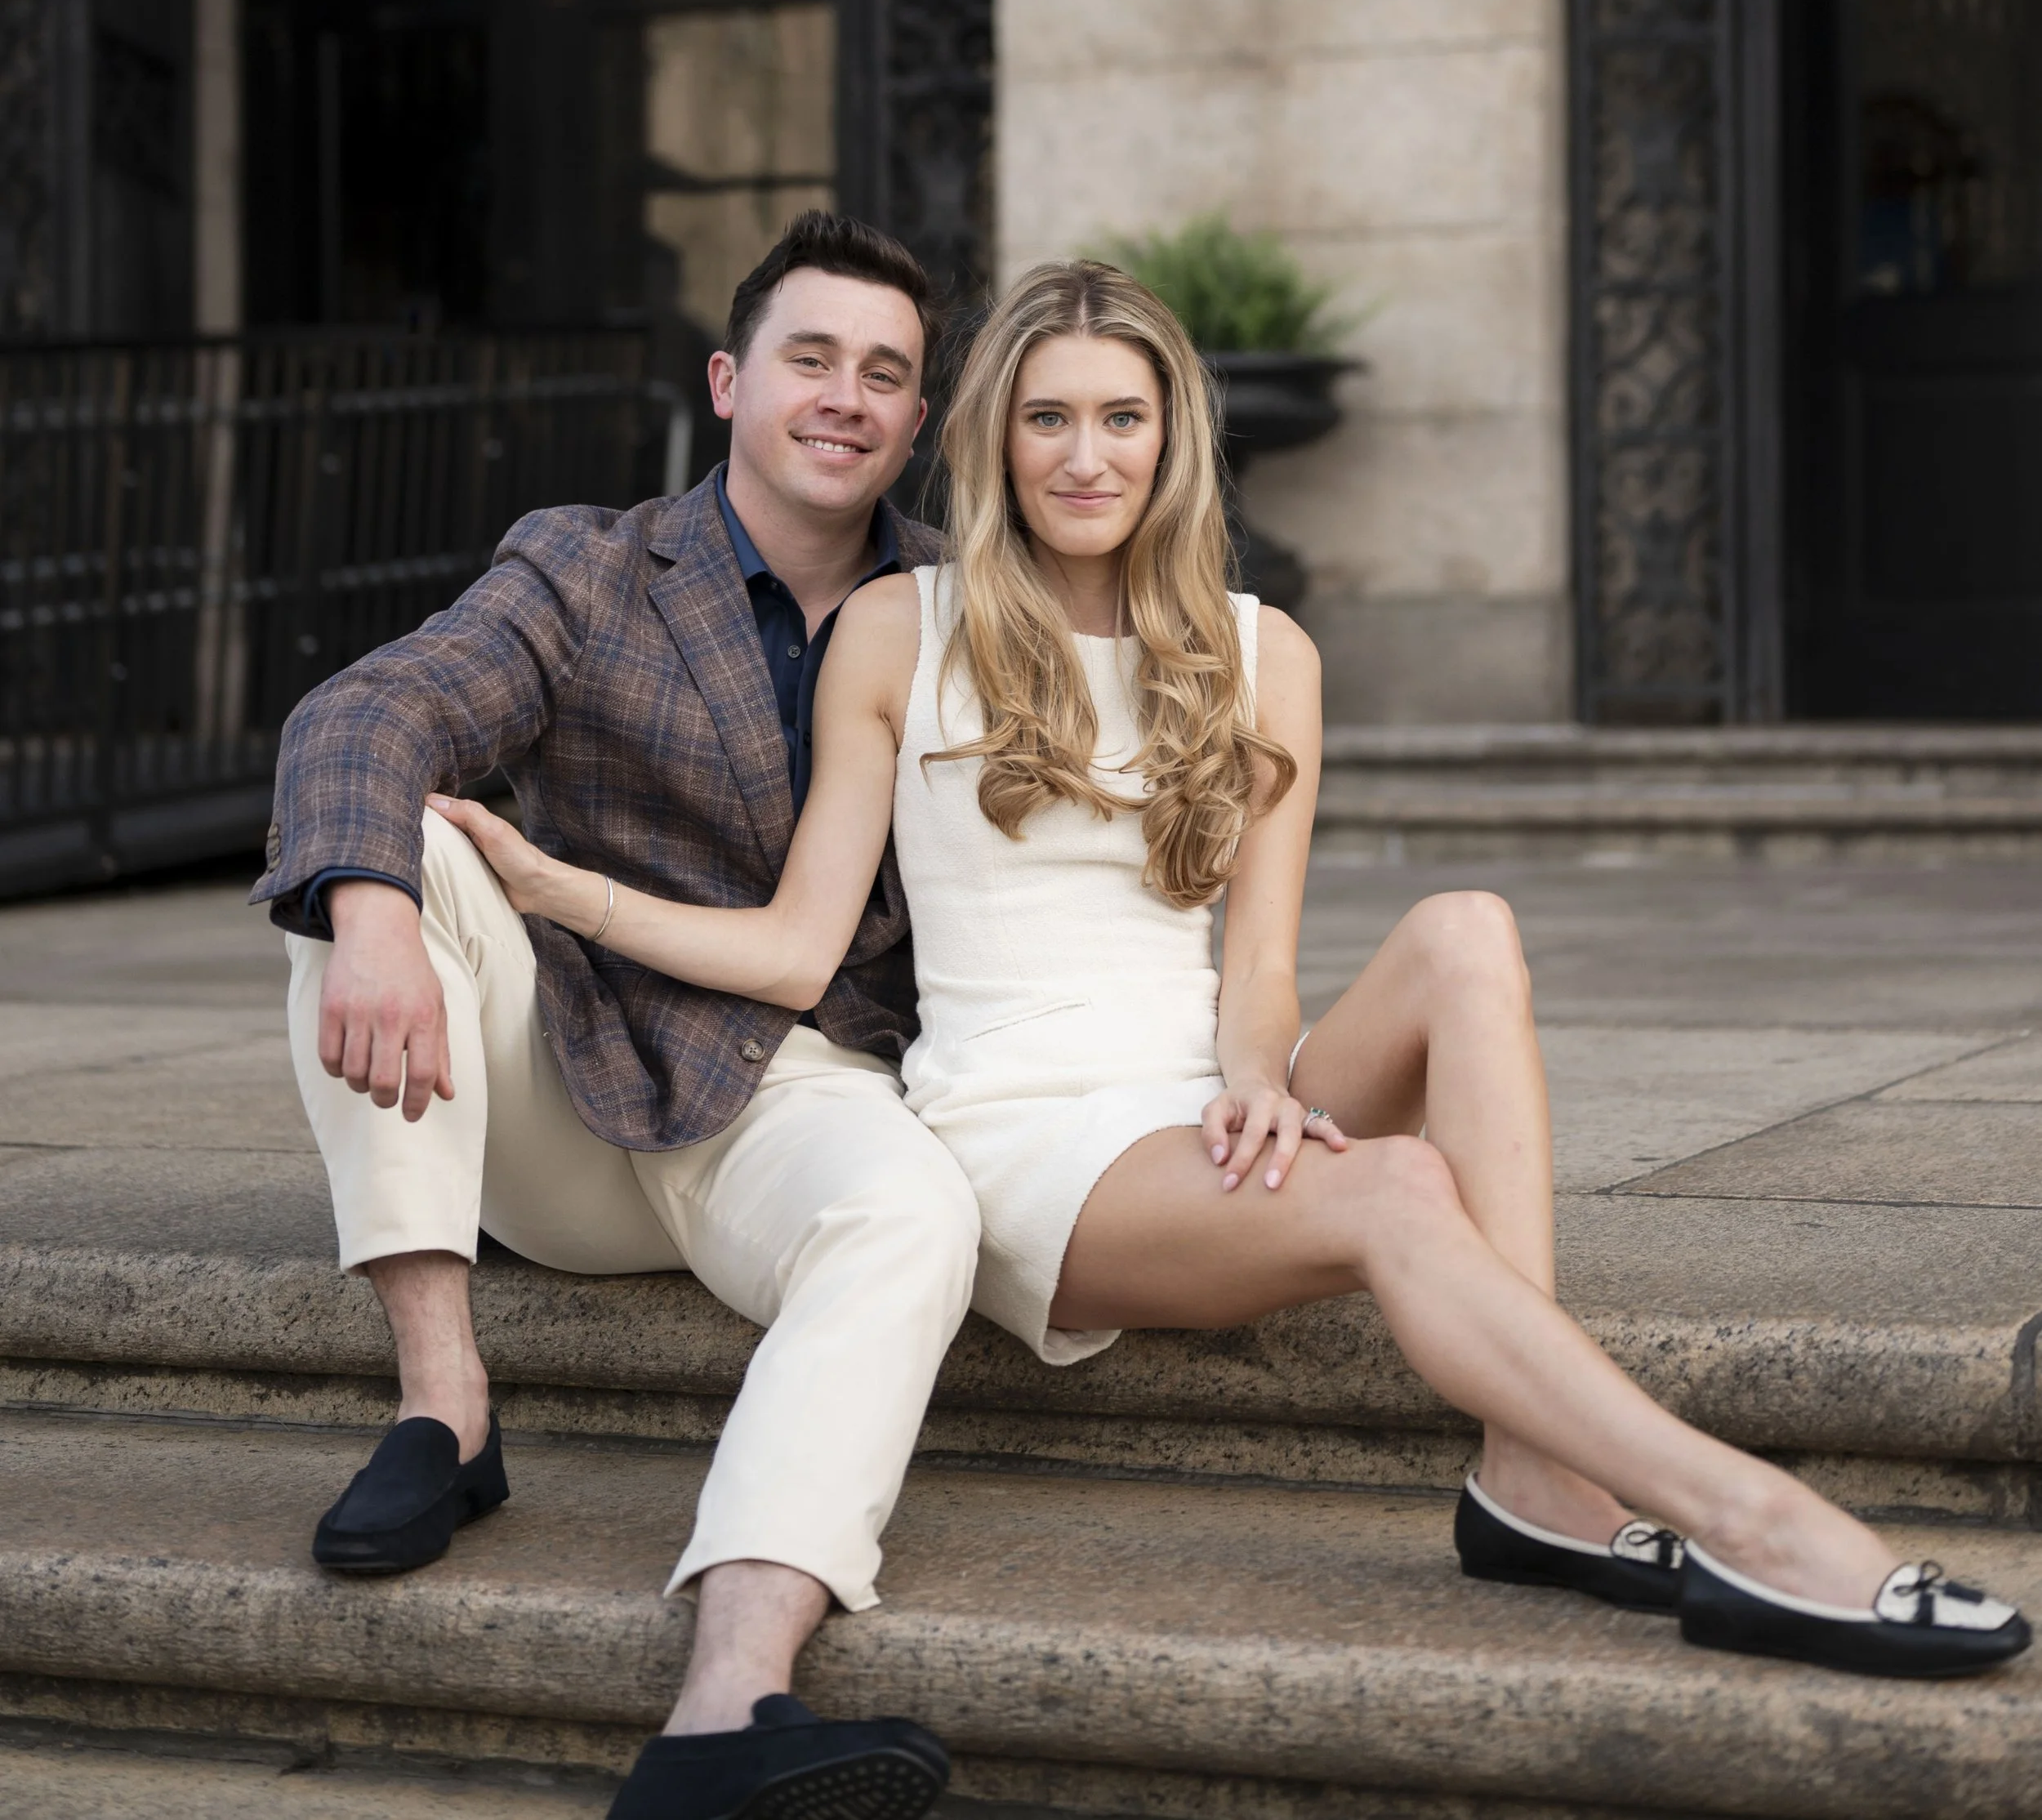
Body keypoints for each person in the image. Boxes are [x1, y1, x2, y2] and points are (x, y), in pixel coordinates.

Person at [436, 257, 2031, 1687]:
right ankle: (1753, 1519)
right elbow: (796, 947)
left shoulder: (1263, 654)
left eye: (1120, 418)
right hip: (1023, 1134)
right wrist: (565, 891)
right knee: (1398, 1189)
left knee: (1464, 928)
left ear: (1170, 439)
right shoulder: (900, 629)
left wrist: (1259, 1079)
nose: (1084, 456)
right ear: (993, 440)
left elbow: (1258, 964)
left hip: (1194, 1088)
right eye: (1047, 418)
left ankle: (1535, 1477)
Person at [257, 212, 979, 1820]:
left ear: (917, 419)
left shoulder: (961, 599)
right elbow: (372, 707)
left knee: (916, 1217)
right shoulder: (590, 565)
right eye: (810, 358)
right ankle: (445, 1411)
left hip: (799, 1088)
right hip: (566, 1088)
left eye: (884, 375)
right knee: (398, 848)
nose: (846, 397)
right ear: (728, 382)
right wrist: (370, 914)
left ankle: (725, 1710)